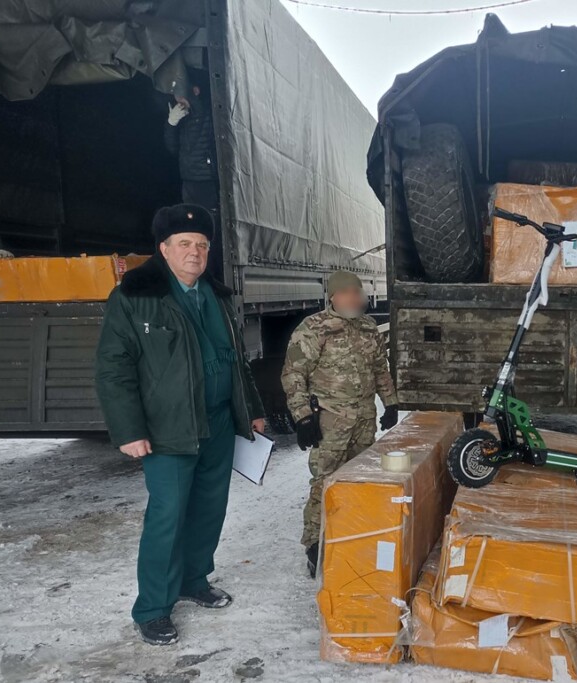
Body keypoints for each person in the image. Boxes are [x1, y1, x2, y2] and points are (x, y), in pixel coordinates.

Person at [95, 204, 266, 645]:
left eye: (202, 245)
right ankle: (153, 608)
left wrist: (251, 408)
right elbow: (114, 368)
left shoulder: (217, 296)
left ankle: (194, 579)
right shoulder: (135, 297)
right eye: (185, 244)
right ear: (164, 249)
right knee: (168, 515)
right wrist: (129, 430)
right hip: (168, 428)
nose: (195, 252)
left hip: (218, 421)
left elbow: (237, 360)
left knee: (209, 508)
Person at [281, 271, 399, 578]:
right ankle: (315, 544)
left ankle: (351, 535)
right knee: (325, 482)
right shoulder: (313, 328)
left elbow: (380, 368)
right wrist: (303, 417)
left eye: (356, 292)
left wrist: (390, 402)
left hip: (364, 420)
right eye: (345, 293)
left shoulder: (368, 327)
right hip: (330, 422)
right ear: (332, 297)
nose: (352, 298)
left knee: (360, 482)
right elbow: (293, 375)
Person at [165, 75, 223, 280]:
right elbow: (172, 148)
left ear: (195, 92)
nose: (178, 101)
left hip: (205, 182)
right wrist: (171, 124)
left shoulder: (207, 113)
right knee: (191, 229)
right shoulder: (184, 117)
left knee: (208, 230)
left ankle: (212, 275)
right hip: (188, 181)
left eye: (181, 96)